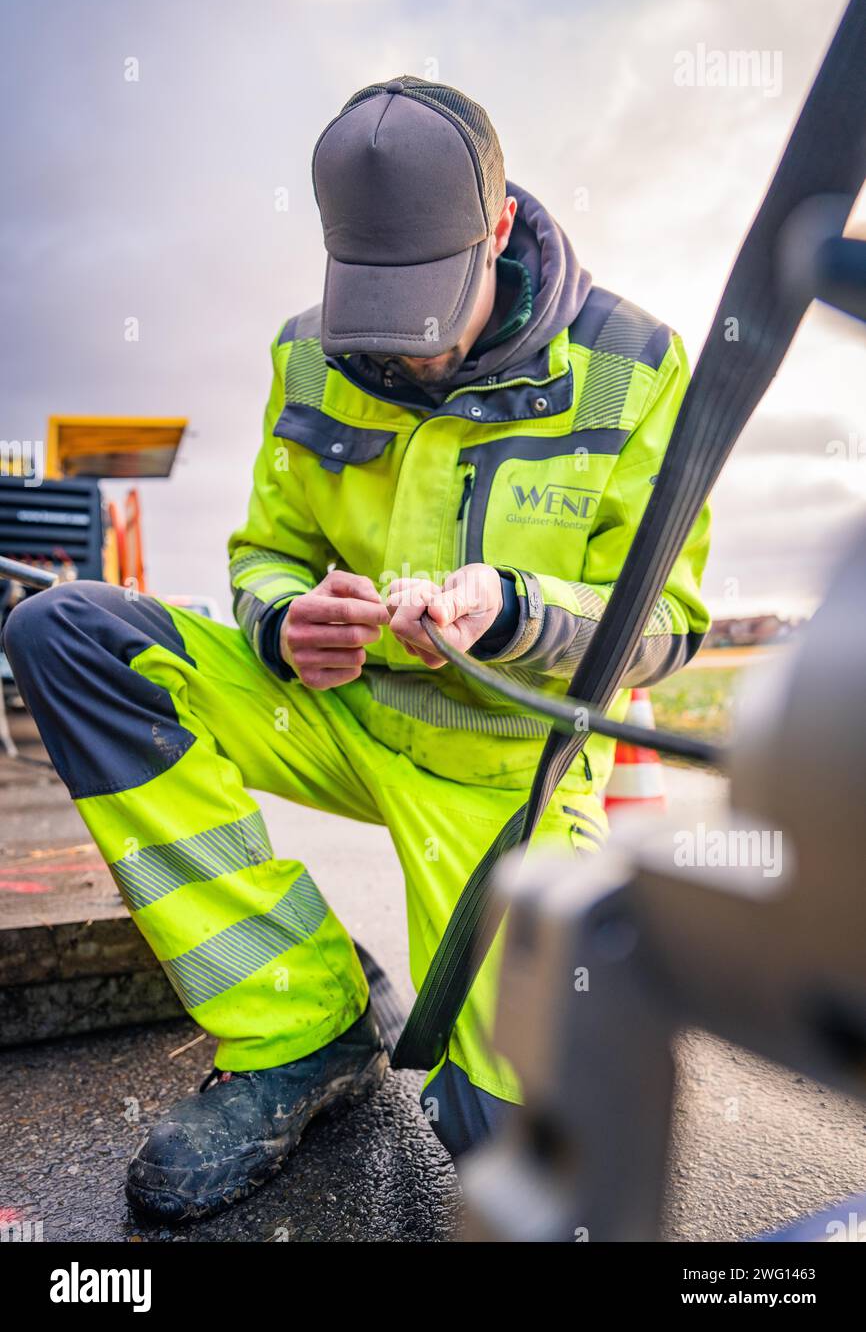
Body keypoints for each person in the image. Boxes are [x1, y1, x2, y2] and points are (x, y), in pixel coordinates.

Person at [3, 76, 710, 1223]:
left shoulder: (637, 370)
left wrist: (517, 611)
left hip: (502, 775)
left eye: (433, 314)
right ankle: (302, 1016)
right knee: (68, 636)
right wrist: (287, 620)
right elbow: (263, 552)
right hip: (334, 715)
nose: (411, 359)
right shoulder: (305, 353)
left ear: (495, 231)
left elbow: (670, 625)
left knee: (527, 1168)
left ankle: (457, 1041)